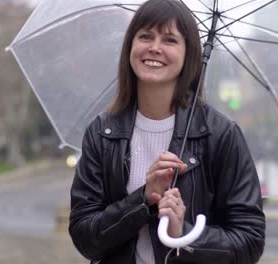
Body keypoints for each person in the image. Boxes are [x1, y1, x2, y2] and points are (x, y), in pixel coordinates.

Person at [69, 0, 265, 263]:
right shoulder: (102, 133)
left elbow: (249, 241)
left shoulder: (221, 134)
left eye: (170, 40)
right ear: (130, 47)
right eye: (146, 36)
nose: (155, 48)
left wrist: (183, 234)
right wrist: (143, 199)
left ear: (189, 54)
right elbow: (84, 237)